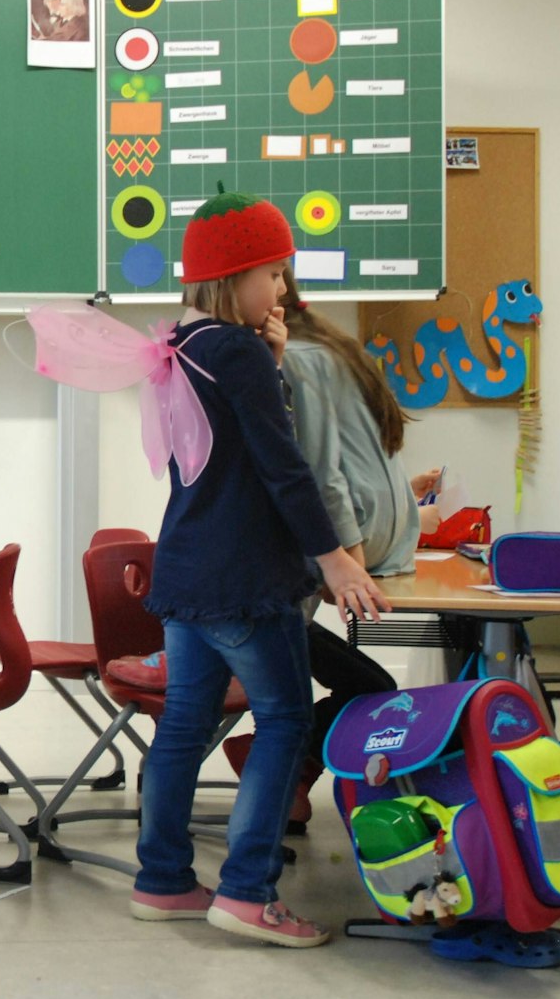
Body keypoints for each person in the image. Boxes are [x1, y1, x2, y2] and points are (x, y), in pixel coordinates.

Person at [128, 189, 388, 948]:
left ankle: (164, 879)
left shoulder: (186, 345)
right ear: (237, 275)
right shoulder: (236, 350)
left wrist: (272, 362)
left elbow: (222, 457)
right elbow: (283, 467)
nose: (282, 291)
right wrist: (335, 559)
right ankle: (247, 892)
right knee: (284, 718)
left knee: (183, 724)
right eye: (274, 274)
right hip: (245, 578)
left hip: (187, 572)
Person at [231, 264, 441, 832]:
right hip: (372, 542)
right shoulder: (333, 348)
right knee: (318, 684)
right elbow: (342, 468)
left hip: (350, 547)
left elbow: (322, 475)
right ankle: (281, 774)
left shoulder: (300, 359)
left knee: (297, 688)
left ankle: (275, 775)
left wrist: (347, 559)